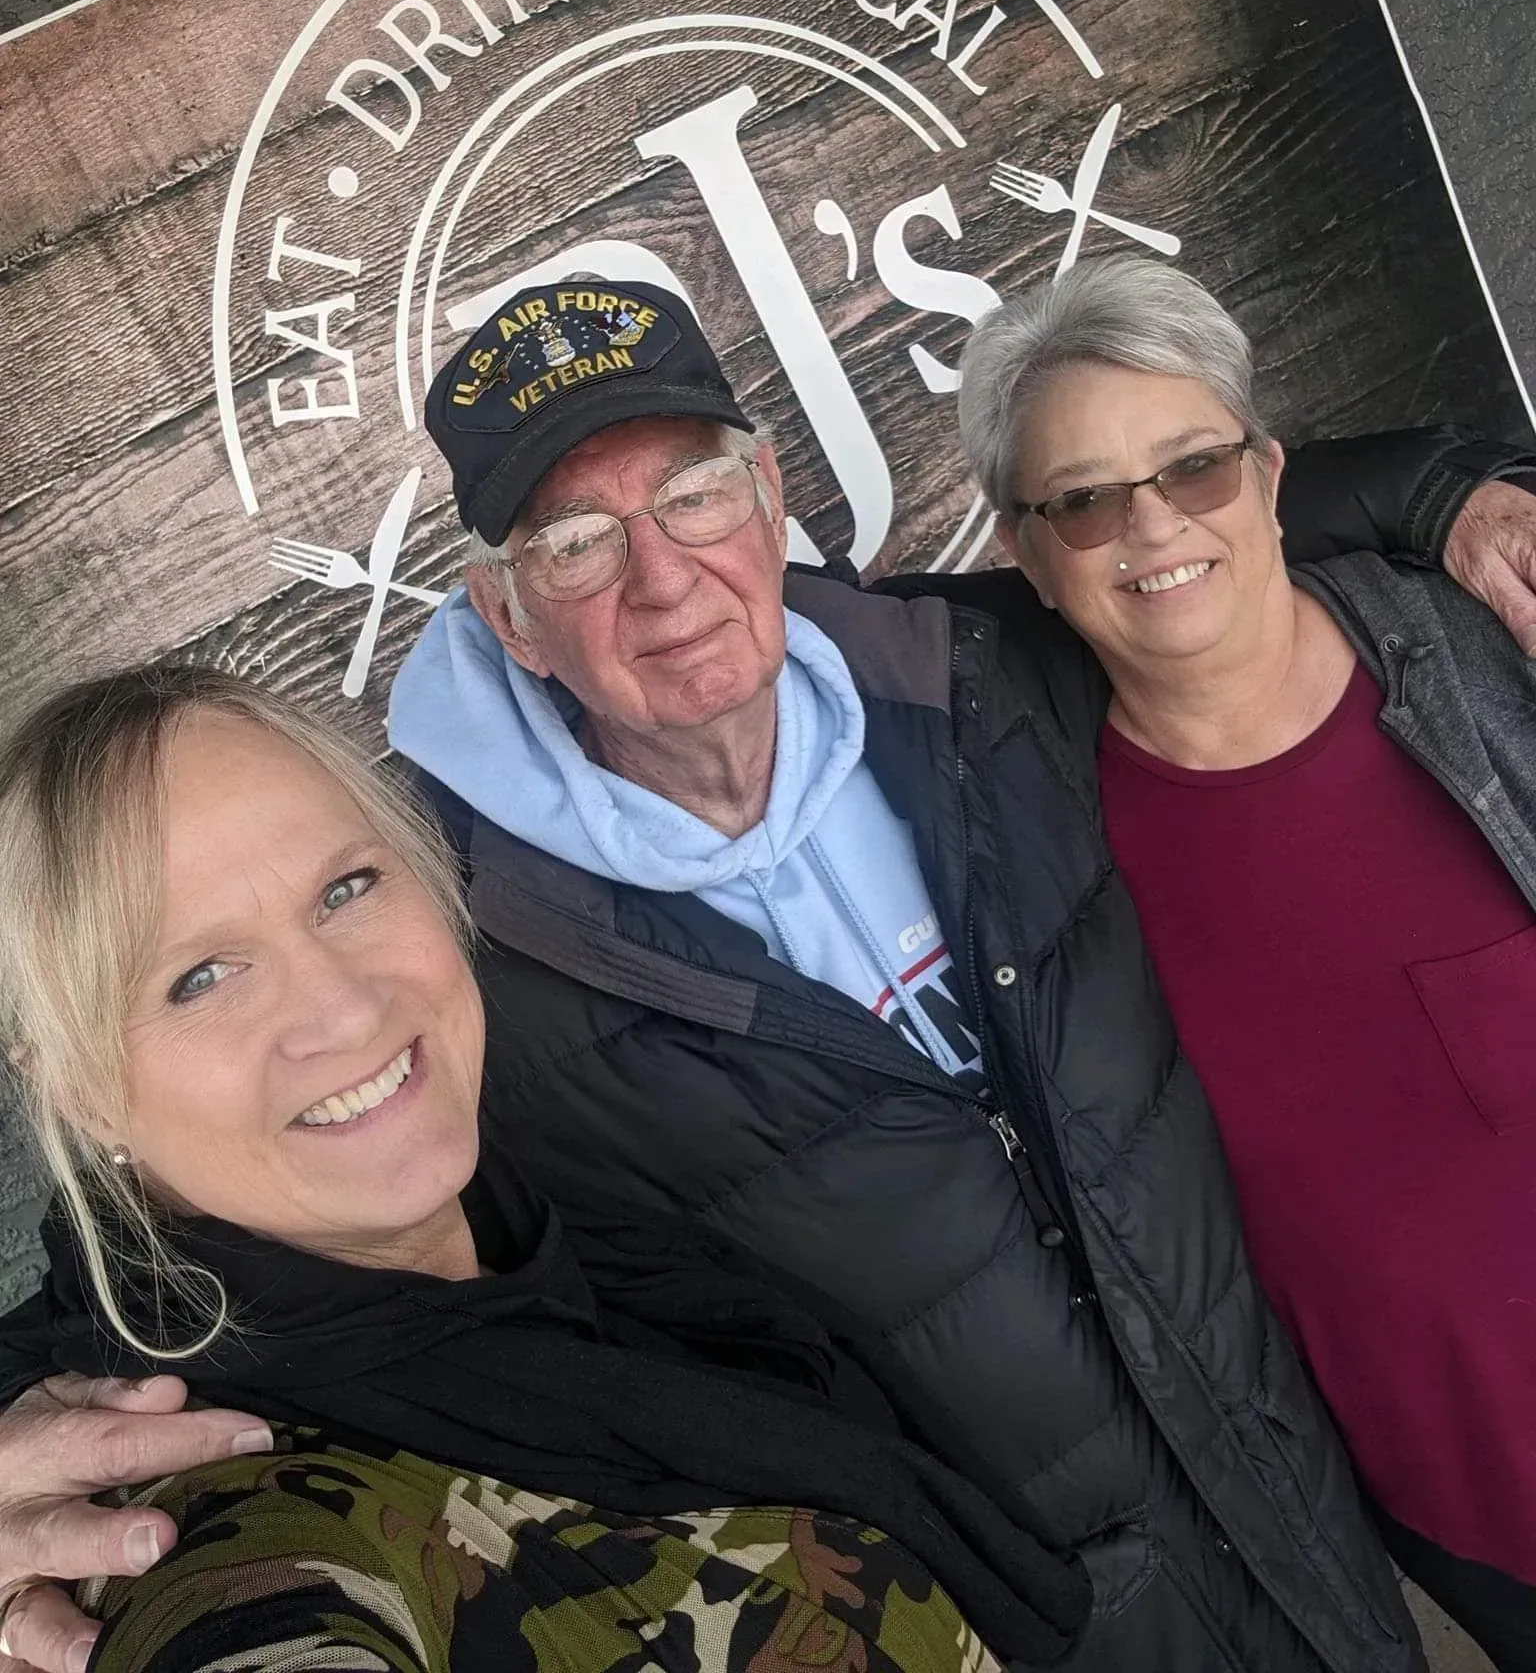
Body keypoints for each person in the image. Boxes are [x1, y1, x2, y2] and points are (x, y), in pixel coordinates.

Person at [5, 275, 1536, 1673]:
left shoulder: (975, 673)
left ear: (768, 498)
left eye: (693, 494)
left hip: (1300, 1526)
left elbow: (1168, 536)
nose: (662, 580)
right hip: (1018, 1614)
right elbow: (257, 1251)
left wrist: (1453, 493)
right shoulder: (454, 941)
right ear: (509, 617)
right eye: (579, 542)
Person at [0, 663, 1092, 1673]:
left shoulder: (570, 1231)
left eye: (346, 888)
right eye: (201, 976)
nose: (341, 1004)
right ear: (79, 1089)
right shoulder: (191, 1507)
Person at [954, 251, 1536, 1673]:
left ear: (1272, 478)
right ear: (1024, 555)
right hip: (1466, 1526)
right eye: (1086, 498)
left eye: (1196, 469)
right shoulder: (1042, 856)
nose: (1153, 525)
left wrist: (1443, 483)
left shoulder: (1495, 650)